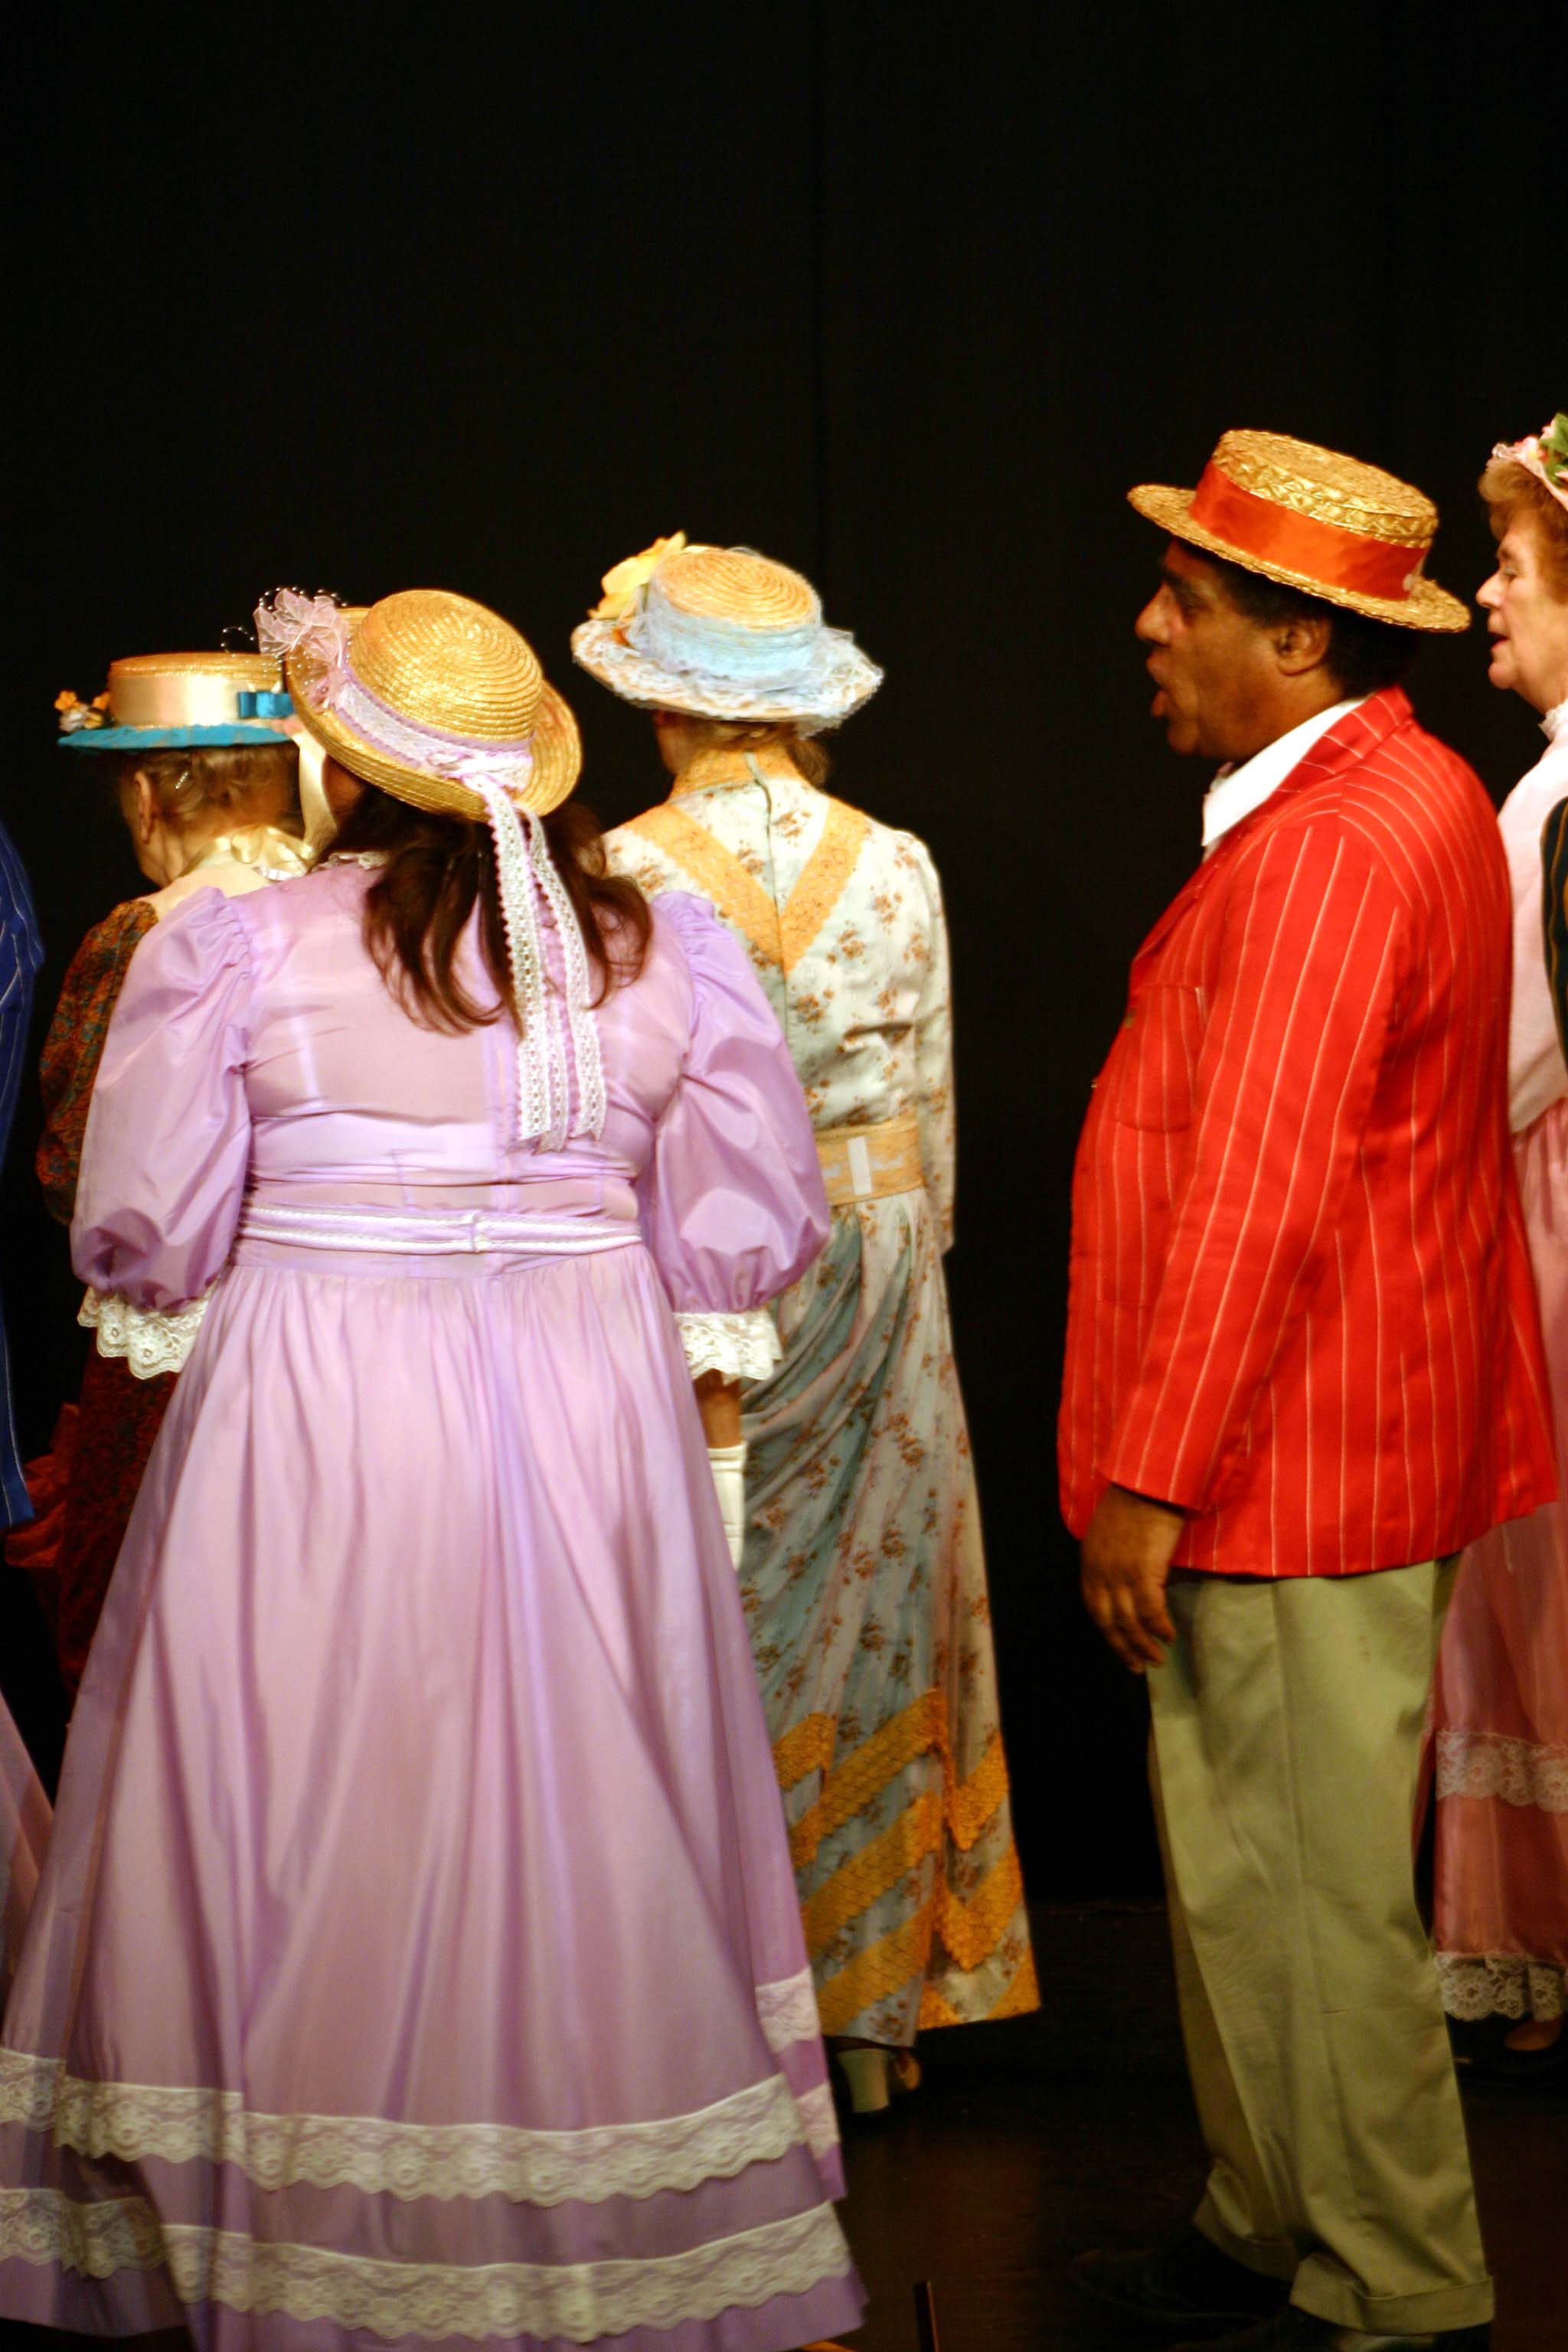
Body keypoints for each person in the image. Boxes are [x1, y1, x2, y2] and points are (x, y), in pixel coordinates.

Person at [0, 588, 861, 2352]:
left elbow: (148, 1226)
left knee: (318, 1769)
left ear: (345, 769)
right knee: (577, 1765)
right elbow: (746, 1220)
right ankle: (581, 2183)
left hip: (325, 1396)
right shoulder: (663, 949)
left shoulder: (237, 946)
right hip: (586, 1400)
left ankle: (293, 2190)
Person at [1060, 430, 1557, 2352]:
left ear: (1292, 637)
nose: (1146, 624)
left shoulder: (1339, 842)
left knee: (1312, 1892)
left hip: (1291, 1455)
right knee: (1249, 1871)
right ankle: (1265, 2213)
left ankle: (1402, 2288)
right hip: (1325, 1429)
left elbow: (1263, 1191)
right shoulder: (1387, 785)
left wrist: (1151, 1476)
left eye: (1180, 596)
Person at [574, 537, 1036, 2115]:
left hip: (700, 1260)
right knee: (885, 1591)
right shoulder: (896, 861)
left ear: (661, 705)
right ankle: (870, 2007)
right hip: (884, 1243)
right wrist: (911, 1251)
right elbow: (935, 1107)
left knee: (713, 1596)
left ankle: (724, 1997)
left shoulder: (621, 868)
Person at [6, 654, 310, 1695]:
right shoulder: (354, 908)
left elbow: (78, 1163)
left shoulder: (147, 933)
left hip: (185, 1331)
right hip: (345, 1316)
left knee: (158, 1614)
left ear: (145, 793)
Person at [1427, 413, 1568, 2073]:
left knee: (1534, 1573)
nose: (1486, 592)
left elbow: (1508, 1057)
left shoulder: (1551, 801)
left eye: (1513, 566)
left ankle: (1533, 1931)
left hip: (1543, 1217)